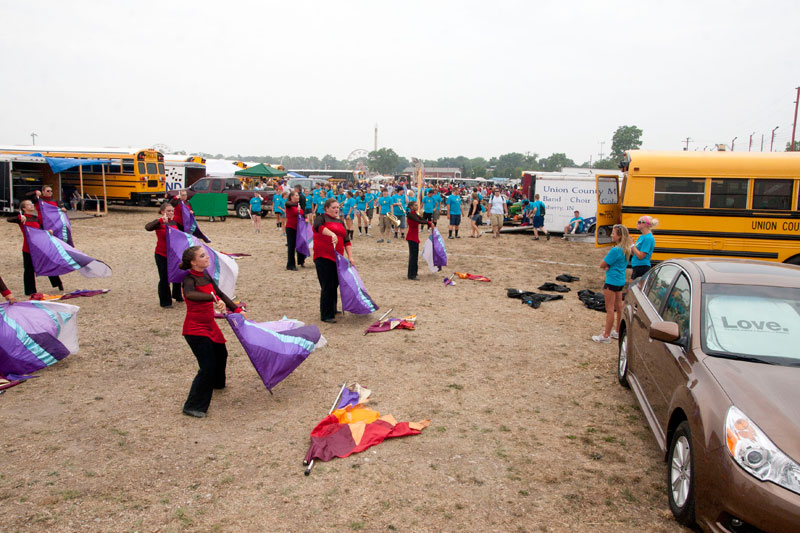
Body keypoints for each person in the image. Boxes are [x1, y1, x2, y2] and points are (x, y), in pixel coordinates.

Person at [178, 245, 246, 418]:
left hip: (209, 325)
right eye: (202, 256)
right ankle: (193, 406)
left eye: (206, 255)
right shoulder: (189, 279)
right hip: (195, 328)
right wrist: (211, 297)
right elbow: (190, 295)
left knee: (221, 353)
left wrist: (237, 310)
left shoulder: (206, 275)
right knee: (207, 366)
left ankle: (217, 383)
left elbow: (220, 293)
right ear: (193, 262)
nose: (207, 258)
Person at [7, 199, 63, 295]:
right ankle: (30, 291)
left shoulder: (35, 217)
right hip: (28, 248)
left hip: (39, 246)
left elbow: (40, 230)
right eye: (29, 205)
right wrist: (20, 216)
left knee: (48, 263)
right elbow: (8, 219)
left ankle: (57, 283)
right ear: (24, 208)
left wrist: (48, 231)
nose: (32, 205)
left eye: (32, 204)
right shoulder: (21, 218)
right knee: (29, 270)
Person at [313, 198, 353, 323]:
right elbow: (317, 227)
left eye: (337, 207)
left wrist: (350, 257)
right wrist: (332, 234)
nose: (336, 209)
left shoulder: (341, 222)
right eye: (334, 207)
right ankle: (326, 314)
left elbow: (346, 240)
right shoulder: (321, 218)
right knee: (327, 285)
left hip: (338, 258)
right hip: (323, 257)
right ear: (326, 208)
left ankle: (333, 308)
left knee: (334, 284)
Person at [592, 224, 632, 343]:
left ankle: (606, 335)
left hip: (611, 281)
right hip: (620, 281)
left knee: (610, 309)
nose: (611, 235)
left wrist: (607, 266)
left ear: (619, 236)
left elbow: (602, 264)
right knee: (619, 307)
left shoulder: (615, 250)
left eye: (613, 233)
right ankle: (618, 331)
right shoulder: (626, 249)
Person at [145, 201, 184, 308]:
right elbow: (148, 227)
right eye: (168, 211)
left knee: (178, 274)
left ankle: (177, 295)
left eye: (172, 211)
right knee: (164, 278)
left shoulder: (174, 223)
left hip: (174, 254)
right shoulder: (159, 222)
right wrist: (160, 220)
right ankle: (165, 301)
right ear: (162, 212)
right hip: (161, 254)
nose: (171, 212)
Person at [405, 201, 431, 281]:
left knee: (414, 256)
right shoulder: (410, 215)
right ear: (411, 207)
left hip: (414, 237)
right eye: (415, 205)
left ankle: (413, 273)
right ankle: (412, 275)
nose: (417, 206)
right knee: (413, 257)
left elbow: (421, 219)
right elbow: (419, 221)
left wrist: (428, 222)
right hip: (412, 237)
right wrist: (428, 222)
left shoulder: (413, 213)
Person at [630, 216, 659, 281]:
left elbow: (641, 256)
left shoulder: (648, 238)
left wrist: (632, 245)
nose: (637, 223)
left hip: (642, 267)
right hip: (637, 266)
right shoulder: (642, 236)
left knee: (632, 288)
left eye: (639, 222)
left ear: (646, 224)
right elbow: (635, 252)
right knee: (632, 288)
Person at [284, 190, 306, 270]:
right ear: (292, 197)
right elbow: (287, 203)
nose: (298, 197)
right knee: (291, 247)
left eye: (298, 195)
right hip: (291, 228)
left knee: (300, 244)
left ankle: (301, 261)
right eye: (296, 195)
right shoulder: (289, 204)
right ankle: (290, 265)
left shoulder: (297, 205)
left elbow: (302, 213)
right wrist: (297, 207)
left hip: (298, 228)